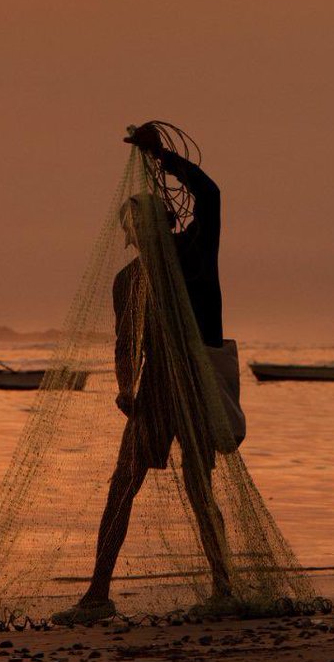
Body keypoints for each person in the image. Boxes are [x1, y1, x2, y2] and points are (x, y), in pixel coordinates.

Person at [52, 122, 243, 625]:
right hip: (156, 390)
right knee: (122, 485)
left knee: (199, 486)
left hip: (197, 387)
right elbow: (126, 344)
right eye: (130, 227)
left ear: (162, 226)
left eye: (143, 223)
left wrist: (164, 159)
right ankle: (97, 594)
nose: (135, 233)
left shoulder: (194, 258)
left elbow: (211, 194)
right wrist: (124, 389)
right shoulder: (128, 280)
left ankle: (224, 589)